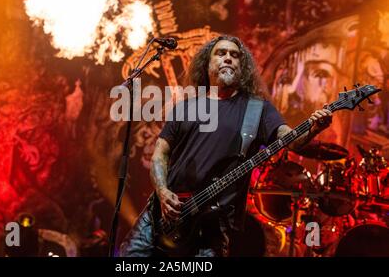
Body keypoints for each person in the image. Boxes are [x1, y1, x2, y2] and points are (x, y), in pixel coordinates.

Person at [119, 35, 332, 257]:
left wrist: (314, 128)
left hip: (211, 226)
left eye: (235, 55)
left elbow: (292, 141)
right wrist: (162, 192)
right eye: (221, 53)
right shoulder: (187, 106)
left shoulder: (257, 110)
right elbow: (159, 155)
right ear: (207, 63)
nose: (228, 58)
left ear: (243, 67)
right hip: (163, 213)